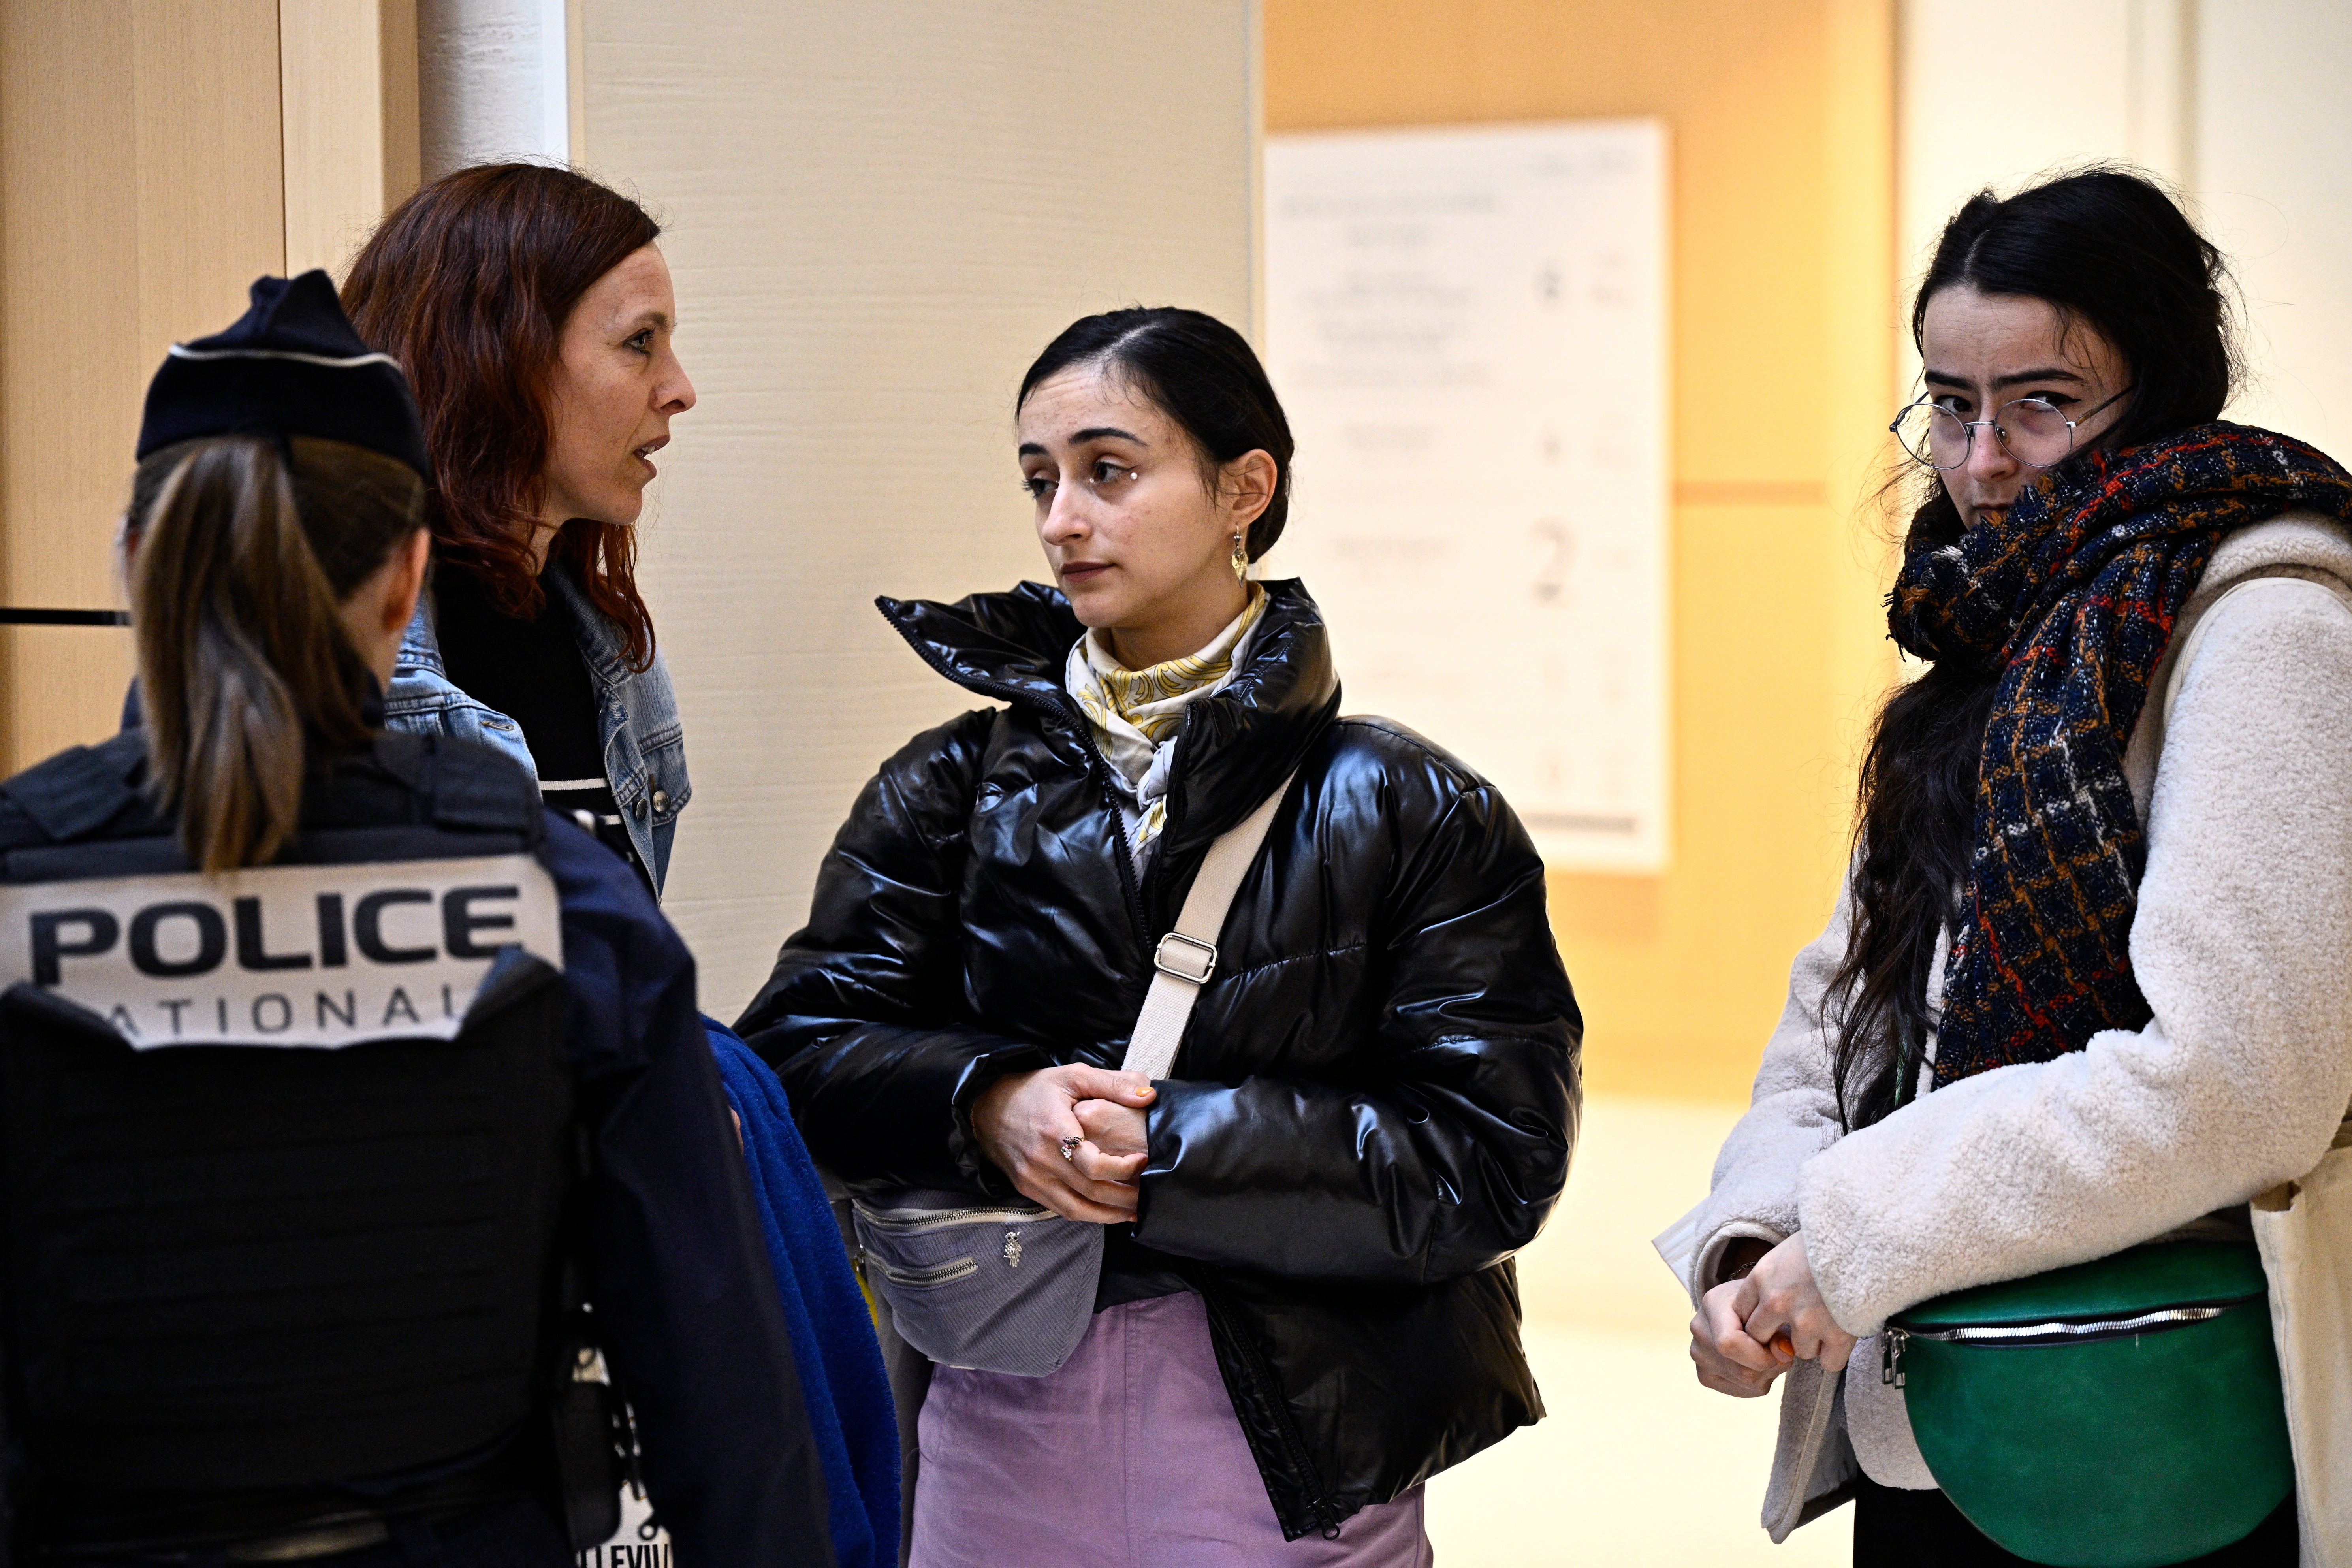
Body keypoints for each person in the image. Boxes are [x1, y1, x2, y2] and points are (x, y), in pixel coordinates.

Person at [0, 272, 834, 1564]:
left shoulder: (21, 878)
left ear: (133, 566)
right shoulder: (554, 889)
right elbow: (713, 1365)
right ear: (406, 580)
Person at [737, 306, 1583, 1566]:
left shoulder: (1410, 808)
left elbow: (1493, 1155)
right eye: (1041, 479)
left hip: (1301, 1440)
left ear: (1246, 488)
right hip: (1000, 1413)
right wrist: (990, 1102)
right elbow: (791, 1058)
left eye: (1108, 470)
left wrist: (1170, 1150)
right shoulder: (947, 786)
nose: (1060, 519)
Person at [1675, 168, 2352, 1563]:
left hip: (2167, 1416)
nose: (1981, 459)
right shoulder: (1993, 626)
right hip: (1938, 1411)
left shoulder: (2269, 621)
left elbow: (2239, 1084)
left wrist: (1855, 1235)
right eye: (1948, 400)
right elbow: (1847, 1003)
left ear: (2161, 391)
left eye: (2040, 402)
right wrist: (1759, 1235)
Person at [341, 163, 694, 898]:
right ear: (499, 358)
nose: (680, 389)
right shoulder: (336, 662)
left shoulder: (618, 660)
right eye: (639, 342)